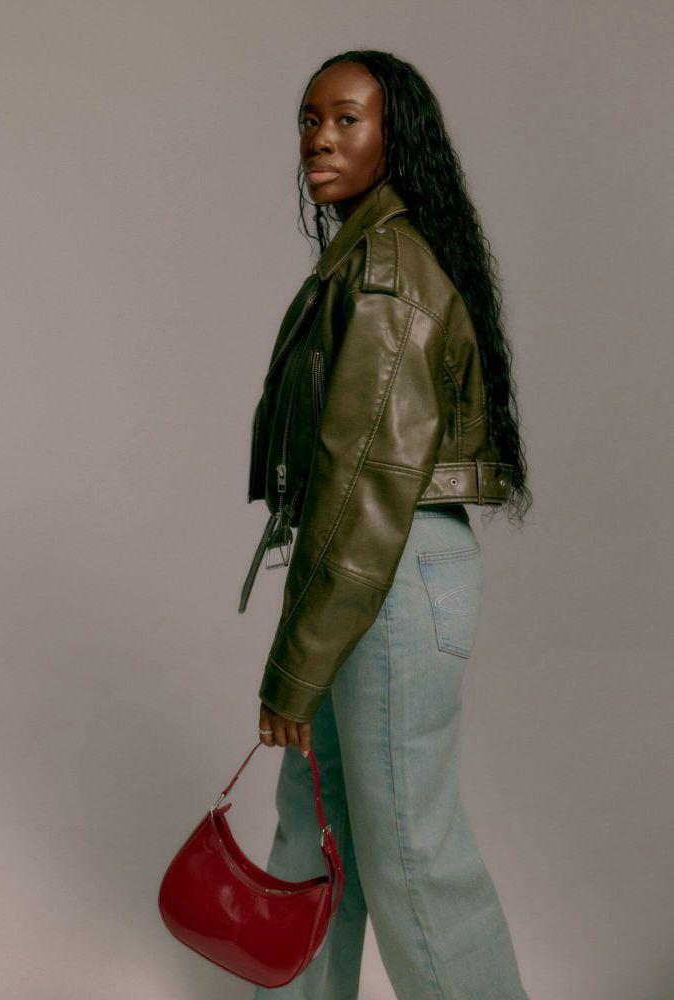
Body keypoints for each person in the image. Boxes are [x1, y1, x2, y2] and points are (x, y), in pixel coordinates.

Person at [240, 49, 532, 1000]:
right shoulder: (362, 256)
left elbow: (366, 487)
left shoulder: (386, 275)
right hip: (361, 567)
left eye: (346, 119)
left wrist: (295, 664)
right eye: (308, 118)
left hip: (386, 570)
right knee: (314, 832)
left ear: (392, 138)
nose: (319, 138)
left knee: (408, 848)